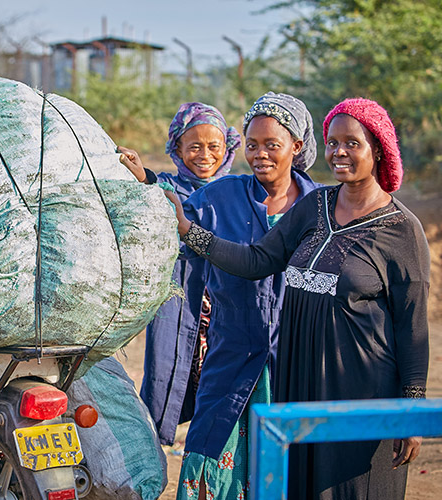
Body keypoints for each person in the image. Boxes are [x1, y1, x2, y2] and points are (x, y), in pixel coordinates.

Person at [170, 98, 429, 500]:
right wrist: (190, 231)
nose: (339, 152)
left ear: (377, 148)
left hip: (360, 390)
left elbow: (412, 327)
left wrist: (411, 411)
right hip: (300, 385)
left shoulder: (401, 229)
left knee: (354, 491)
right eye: (332, 142)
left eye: (352, 143)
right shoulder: (316, 205)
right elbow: (257, 260)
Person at [127, 92, 323, 499]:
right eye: (253, 145)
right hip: (230, 353)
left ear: (297, 146)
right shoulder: (222, 196)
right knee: (214, 454)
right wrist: (140, 180)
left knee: (288, 465)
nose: (261, 154)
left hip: (295, 360)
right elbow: (170, 213)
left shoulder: (321, 206)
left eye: (272, 144)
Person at [117, 102, 241, 446]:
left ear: (227, 149)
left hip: (224, 303)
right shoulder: (170, 186)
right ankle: (154, 445)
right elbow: (154, 191)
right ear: (177, 149)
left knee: (219, 381)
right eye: (194, 146)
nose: (204, 155)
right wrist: (142, 175)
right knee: (168, 369)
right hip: (182, 297)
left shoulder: (238, 190)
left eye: (213, 146)